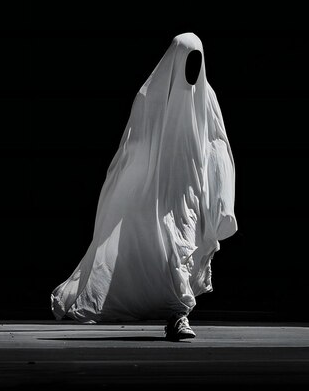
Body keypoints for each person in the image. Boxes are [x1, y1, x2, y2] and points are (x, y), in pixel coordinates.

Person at [50, 33, 237, 341]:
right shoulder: (151, 97)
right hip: (154, 193)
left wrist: (219, 196)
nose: (192, 70)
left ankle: (179, 316)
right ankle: (174, 312)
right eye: (188, 61)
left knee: (181, 247)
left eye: (197, 63)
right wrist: (130, 190)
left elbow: (217, 146)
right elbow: (133, 147)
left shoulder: (206, 97)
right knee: (163, 250)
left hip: (188, 190)